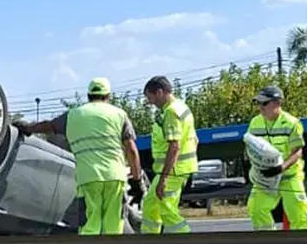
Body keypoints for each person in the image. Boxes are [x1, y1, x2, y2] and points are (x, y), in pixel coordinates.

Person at [15, 77, 144, 235]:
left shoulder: (74, 115)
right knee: (113, 222)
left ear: (89, 95)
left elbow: (48, 126)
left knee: (90, 221)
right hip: (114, 176)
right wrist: (137, 180)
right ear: (108, 95)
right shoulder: (119, 115)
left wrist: (27, 127)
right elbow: (131, 149)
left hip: (88, 177)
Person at [245, 84, 307, 231]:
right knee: (256, 208)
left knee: (300, 214)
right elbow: (250, 148)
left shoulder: (291, 123)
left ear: (278, 103)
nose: (260, 107)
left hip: (289, 176)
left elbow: (297, 152)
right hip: (266, 178)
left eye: (264, 103)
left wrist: (281, 168)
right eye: (258, 103)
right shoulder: (255, 122)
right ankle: (268, 243)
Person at [140, 76, 198, 235]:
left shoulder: (171, 112)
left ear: (159, 92)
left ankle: (185, 243)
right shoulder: (181, 107)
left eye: (150, 97)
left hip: (173, 170)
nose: (150, 102)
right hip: (177, 168)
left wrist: (164, 178)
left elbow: (175, 146)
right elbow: (194, 139)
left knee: (166, 208)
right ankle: (150, 243)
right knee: (151, 204)